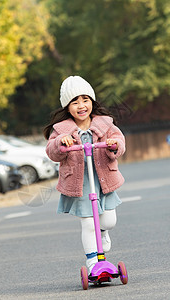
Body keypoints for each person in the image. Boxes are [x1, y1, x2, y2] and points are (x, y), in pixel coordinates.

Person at [44, 75, 126, 274]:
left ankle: (103, 232)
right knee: (89, 224)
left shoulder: (104, 124)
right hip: (80, 184)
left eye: (85, 99)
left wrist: (113, 145)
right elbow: (51, 151)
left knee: (108, 221)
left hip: (103, 180)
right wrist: (61, 143)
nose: (81, 105)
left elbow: (119, 140)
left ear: (92, 101)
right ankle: (93, 263)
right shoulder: (61, 130)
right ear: (67, 107)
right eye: (75, 102)